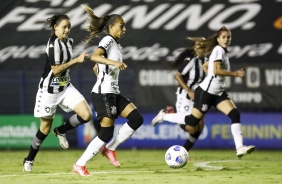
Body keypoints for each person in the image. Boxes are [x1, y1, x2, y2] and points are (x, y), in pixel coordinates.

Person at [72, 4, 144, 176]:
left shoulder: (116, 45)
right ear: (111, 27)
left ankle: (110, 149)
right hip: (103, 93)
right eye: (121, 26)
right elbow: (95, 56)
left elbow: (98, 64)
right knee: (106, 132)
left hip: (113, 92)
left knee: (136, 119)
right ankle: (80, 164)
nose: (124, 29)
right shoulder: (108, 40)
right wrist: (114, 63)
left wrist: (102, 68)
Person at [23, 14, 93, 172]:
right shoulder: (53, 44)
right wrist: (76, 60)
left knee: (86, 114)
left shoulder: (69, 42)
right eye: (64, 27)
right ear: (55, 27)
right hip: (49, 92)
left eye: (69, 27)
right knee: (44, 129)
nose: (67, 30)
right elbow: (55, 70)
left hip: (65, 87)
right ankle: (29, 159)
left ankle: (61, 130)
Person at [183, 26, 255, 157]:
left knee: (235, 115)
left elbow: (207, 66)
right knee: (192, 123)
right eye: (224, 37)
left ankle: (239, 148)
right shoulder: (218, 50)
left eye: (229, 37)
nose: (227, 39)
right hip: (207, 92)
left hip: (218, 92)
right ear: (218, 39)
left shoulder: (222, 51)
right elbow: (216, 70)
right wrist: (236, 74)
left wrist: (208, 71)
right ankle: (165, 115)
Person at [151, 37, 208, 152]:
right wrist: (189, 91)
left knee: (200, 126)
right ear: (195, 48)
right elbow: (177, 75)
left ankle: (184, 152)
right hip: (186, 96)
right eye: (198, 46)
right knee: (191, 128)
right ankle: (165, 115)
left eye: (203, 46)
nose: (201, 48)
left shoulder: (207, 61)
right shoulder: (191, 60)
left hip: (199, 97)